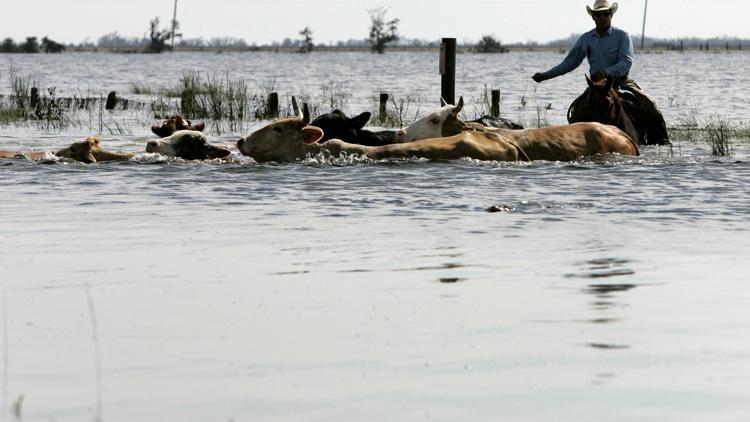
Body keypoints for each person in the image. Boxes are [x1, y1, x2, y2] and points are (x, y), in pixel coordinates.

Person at [531, 0, 669, 145]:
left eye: (605, 14)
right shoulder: (586, 39)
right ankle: (574, 146)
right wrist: (546, 75)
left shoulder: (622, 36)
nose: (602, 17)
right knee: (576, 112)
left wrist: (605, 72)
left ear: (611, 16)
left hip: (622, 83)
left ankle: (663, 143)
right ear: (593, 17)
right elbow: (570, 63)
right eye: (599, 15)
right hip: (596, 87)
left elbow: (626, 62)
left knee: (652, 107)